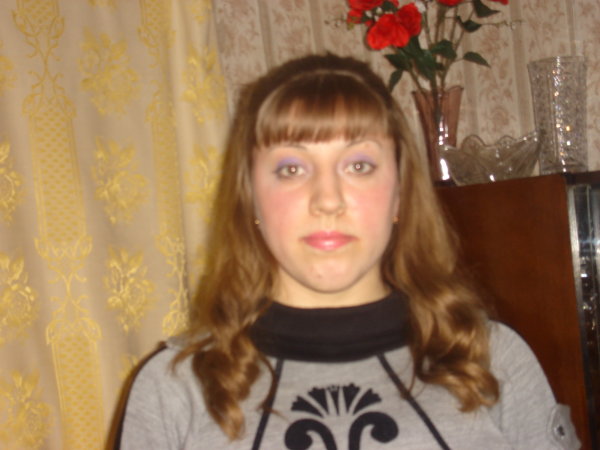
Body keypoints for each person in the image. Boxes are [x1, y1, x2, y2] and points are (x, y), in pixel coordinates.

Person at [118, 53, 579, 449]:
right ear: (250, 199)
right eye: (291, 168)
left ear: (400, 194)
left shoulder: (492, 361)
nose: (327, 200)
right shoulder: (175, 389)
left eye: (358, 165)